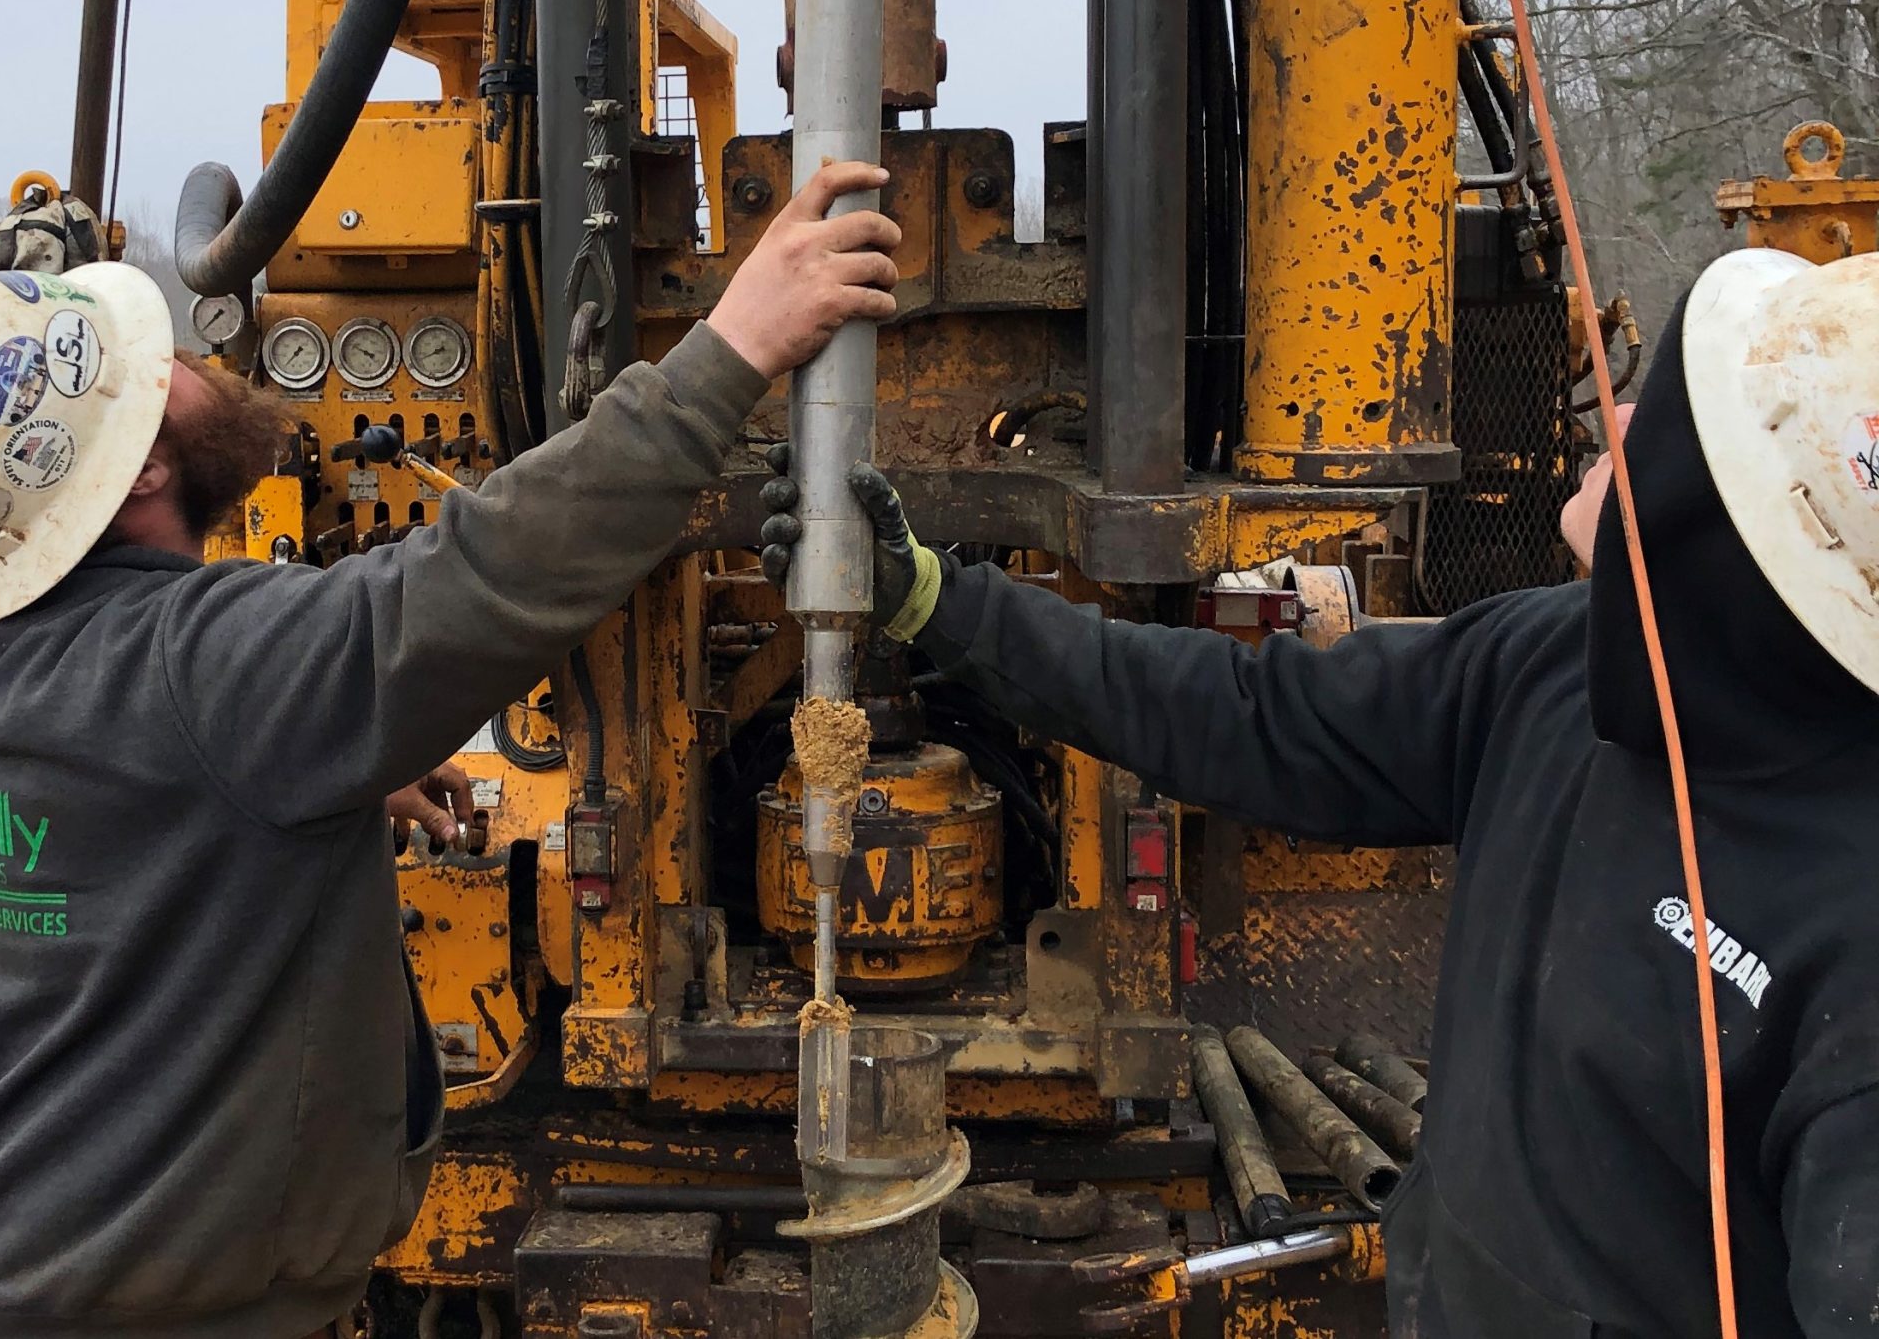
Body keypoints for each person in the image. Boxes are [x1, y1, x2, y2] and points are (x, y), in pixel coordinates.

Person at [0, 160, 899, 1339]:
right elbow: (485, 575)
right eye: (158, 376)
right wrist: (734, 345)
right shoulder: (205, 672)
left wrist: (310, 756)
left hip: (4, 1273)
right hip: (152, 1312)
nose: (192, 368)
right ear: (141, 466)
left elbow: (149, 787)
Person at [763, 247, 1879, 1338]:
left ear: (1731, 529)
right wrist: (936, 604)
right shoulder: (1551, 665)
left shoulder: (1852, 941)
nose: (1618, 423)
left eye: (1677, 420)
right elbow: (1244, 715)